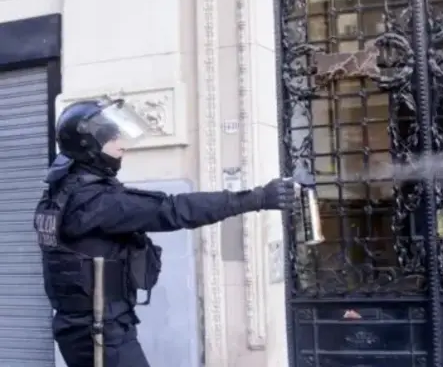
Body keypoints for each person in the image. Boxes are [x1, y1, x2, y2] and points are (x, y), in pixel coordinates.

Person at [34, 98, 296, 367]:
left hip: (85, 327)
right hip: (100, 332)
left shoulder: (64, 192)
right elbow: (174, 209)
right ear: (88, 147)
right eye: (111, 138)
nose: (121, 144)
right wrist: (258, 198)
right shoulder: (95, 202)